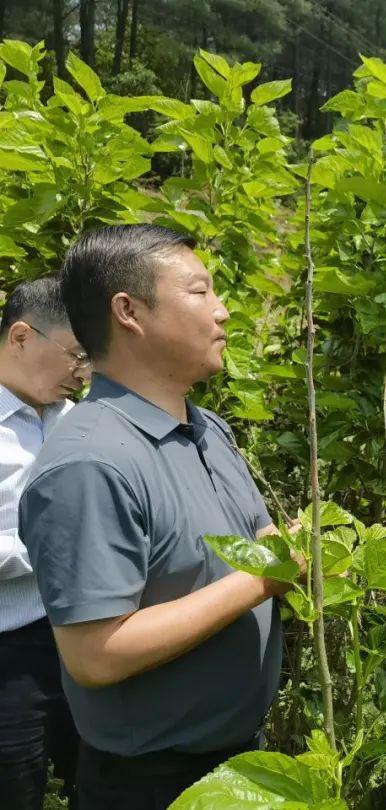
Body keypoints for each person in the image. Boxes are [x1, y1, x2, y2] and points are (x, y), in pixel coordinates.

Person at [19, 225, 296, 810]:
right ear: (129, 312)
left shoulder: (206, 428)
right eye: (199, 292)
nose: (222, 311)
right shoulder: (90, 463)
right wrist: (260, 581)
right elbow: (96, 654)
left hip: (241, 757)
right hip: (155, 783)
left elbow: (247, 541)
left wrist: (286, 546)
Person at [0, 278, 90, 809]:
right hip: (8, 652)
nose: (81, 374)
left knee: (97, 776)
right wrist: (60, 548)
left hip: (77, 634)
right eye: (75, 355)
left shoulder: (73, 420)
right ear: (21, 337)